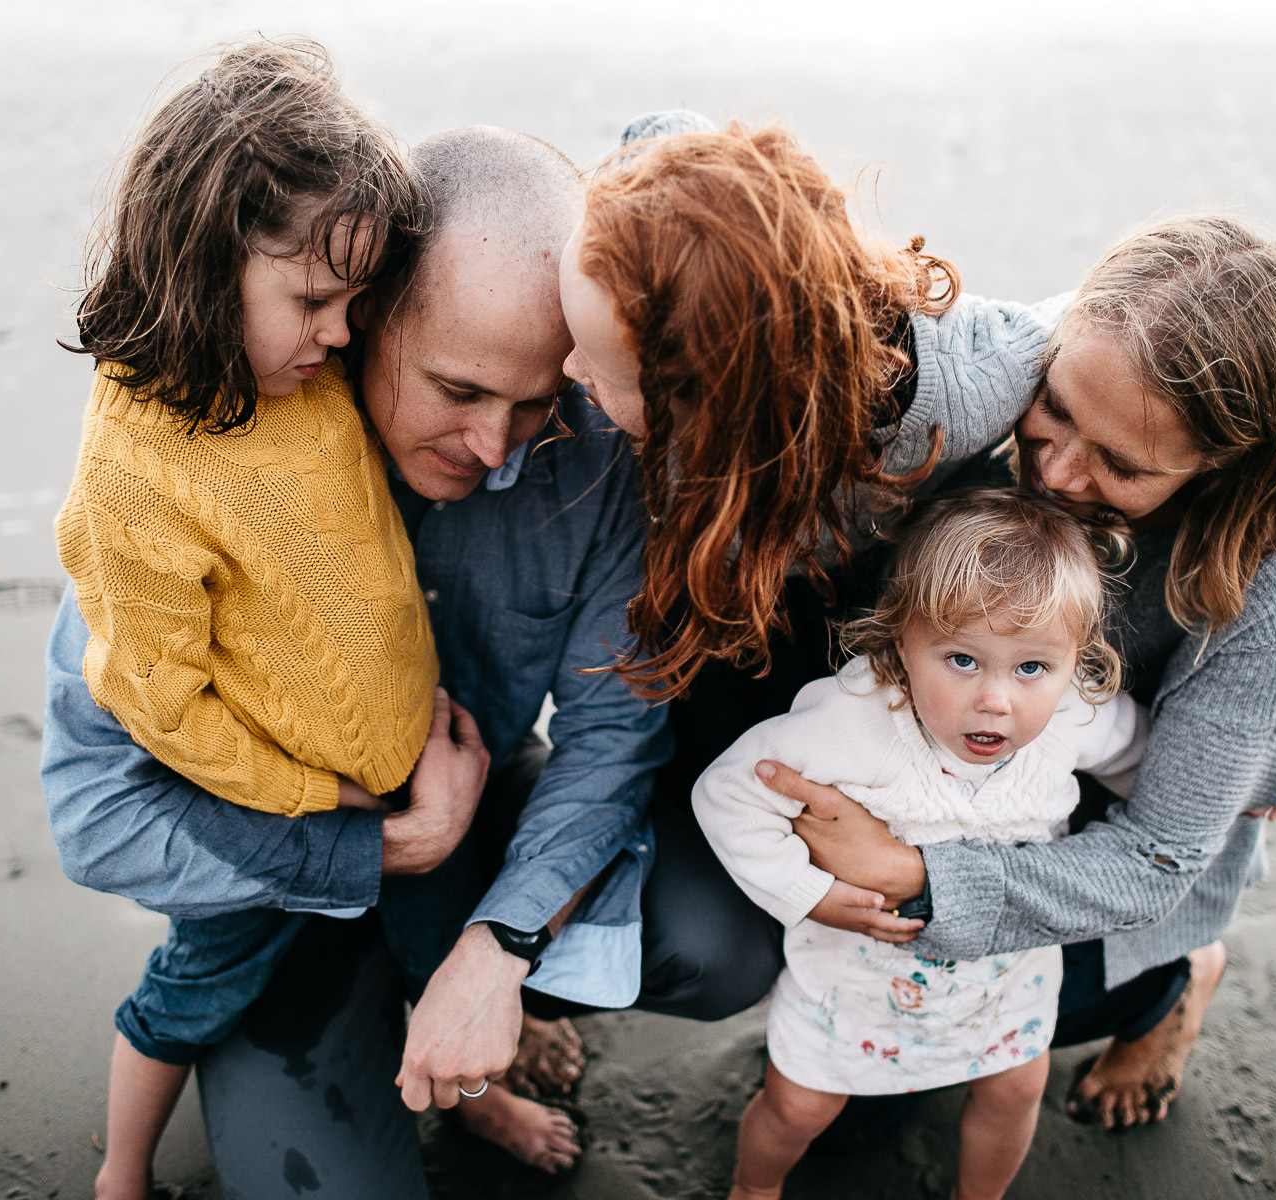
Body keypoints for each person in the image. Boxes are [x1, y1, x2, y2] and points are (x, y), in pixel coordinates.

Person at [560, 117, 1276, 1130]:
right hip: (926, 728)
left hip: (1073, 805)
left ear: (1223, 465)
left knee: (925, 1070)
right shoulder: (1026, 360)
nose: (1058, 473)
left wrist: (918, 878)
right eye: (1056, 412)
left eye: (1122, 466)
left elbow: (1162, 852)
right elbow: (713, 197)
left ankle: (1167, 990)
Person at [41, 123, 781, 1197]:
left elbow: (611, 737)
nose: (495, 446)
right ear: (364, 319)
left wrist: (499, 947)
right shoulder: (198, 469)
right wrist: (383, 848)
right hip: (277, 883)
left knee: (719, 943)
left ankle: (476, 1014)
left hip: (477, 814)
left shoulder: (594, 446)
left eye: (536, 400)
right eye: (459, 391)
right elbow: (97, 819)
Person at [53, 41, 485, 1200]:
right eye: (313, 302)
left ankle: (477, 1089)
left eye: (353, 304)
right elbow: (156, 702)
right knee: (194, 990)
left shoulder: (299, 370)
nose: (341, 332)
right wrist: (309, 795)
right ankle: (122, 1168)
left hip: (396, 767)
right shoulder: (137, 475)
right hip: (275, 810)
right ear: (204, 263)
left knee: (435, 942)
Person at [694, 490, 1145, 1200]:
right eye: (962, 659)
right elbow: (728, 793)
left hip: (1005, 980)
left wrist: (1241, 787)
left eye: (1032, 668)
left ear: (1074, 661)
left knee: (1015, 1089)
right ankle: (754, 1189)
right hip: (854, 984)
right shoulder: (857, 720)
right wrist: (808, 893)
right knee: (798, 1107)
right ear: (902, 642)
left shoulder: (1072, 715)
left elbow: (1139, 757)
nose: (996, 699)